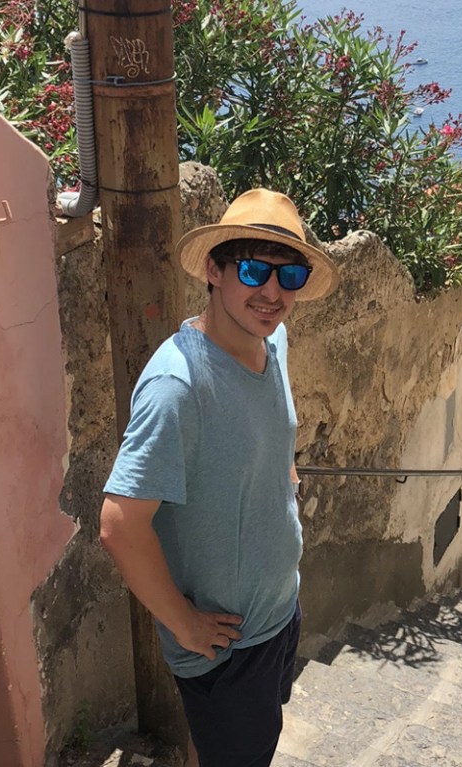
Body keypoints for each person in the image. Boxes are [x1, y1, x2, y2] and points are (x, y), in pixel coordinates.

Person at [99, 188, 339, 767]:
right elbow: (119, 524)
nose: (273, 293)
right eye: (254, 270)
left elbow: (270, 430)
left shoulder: (271, 339)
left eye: (291, 275)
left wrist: (280, 476)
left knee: (219, 747)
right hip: (229, 647)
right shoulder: (178, 386)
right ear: (214, 270)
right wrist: (183, 624)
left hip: (279, 612)